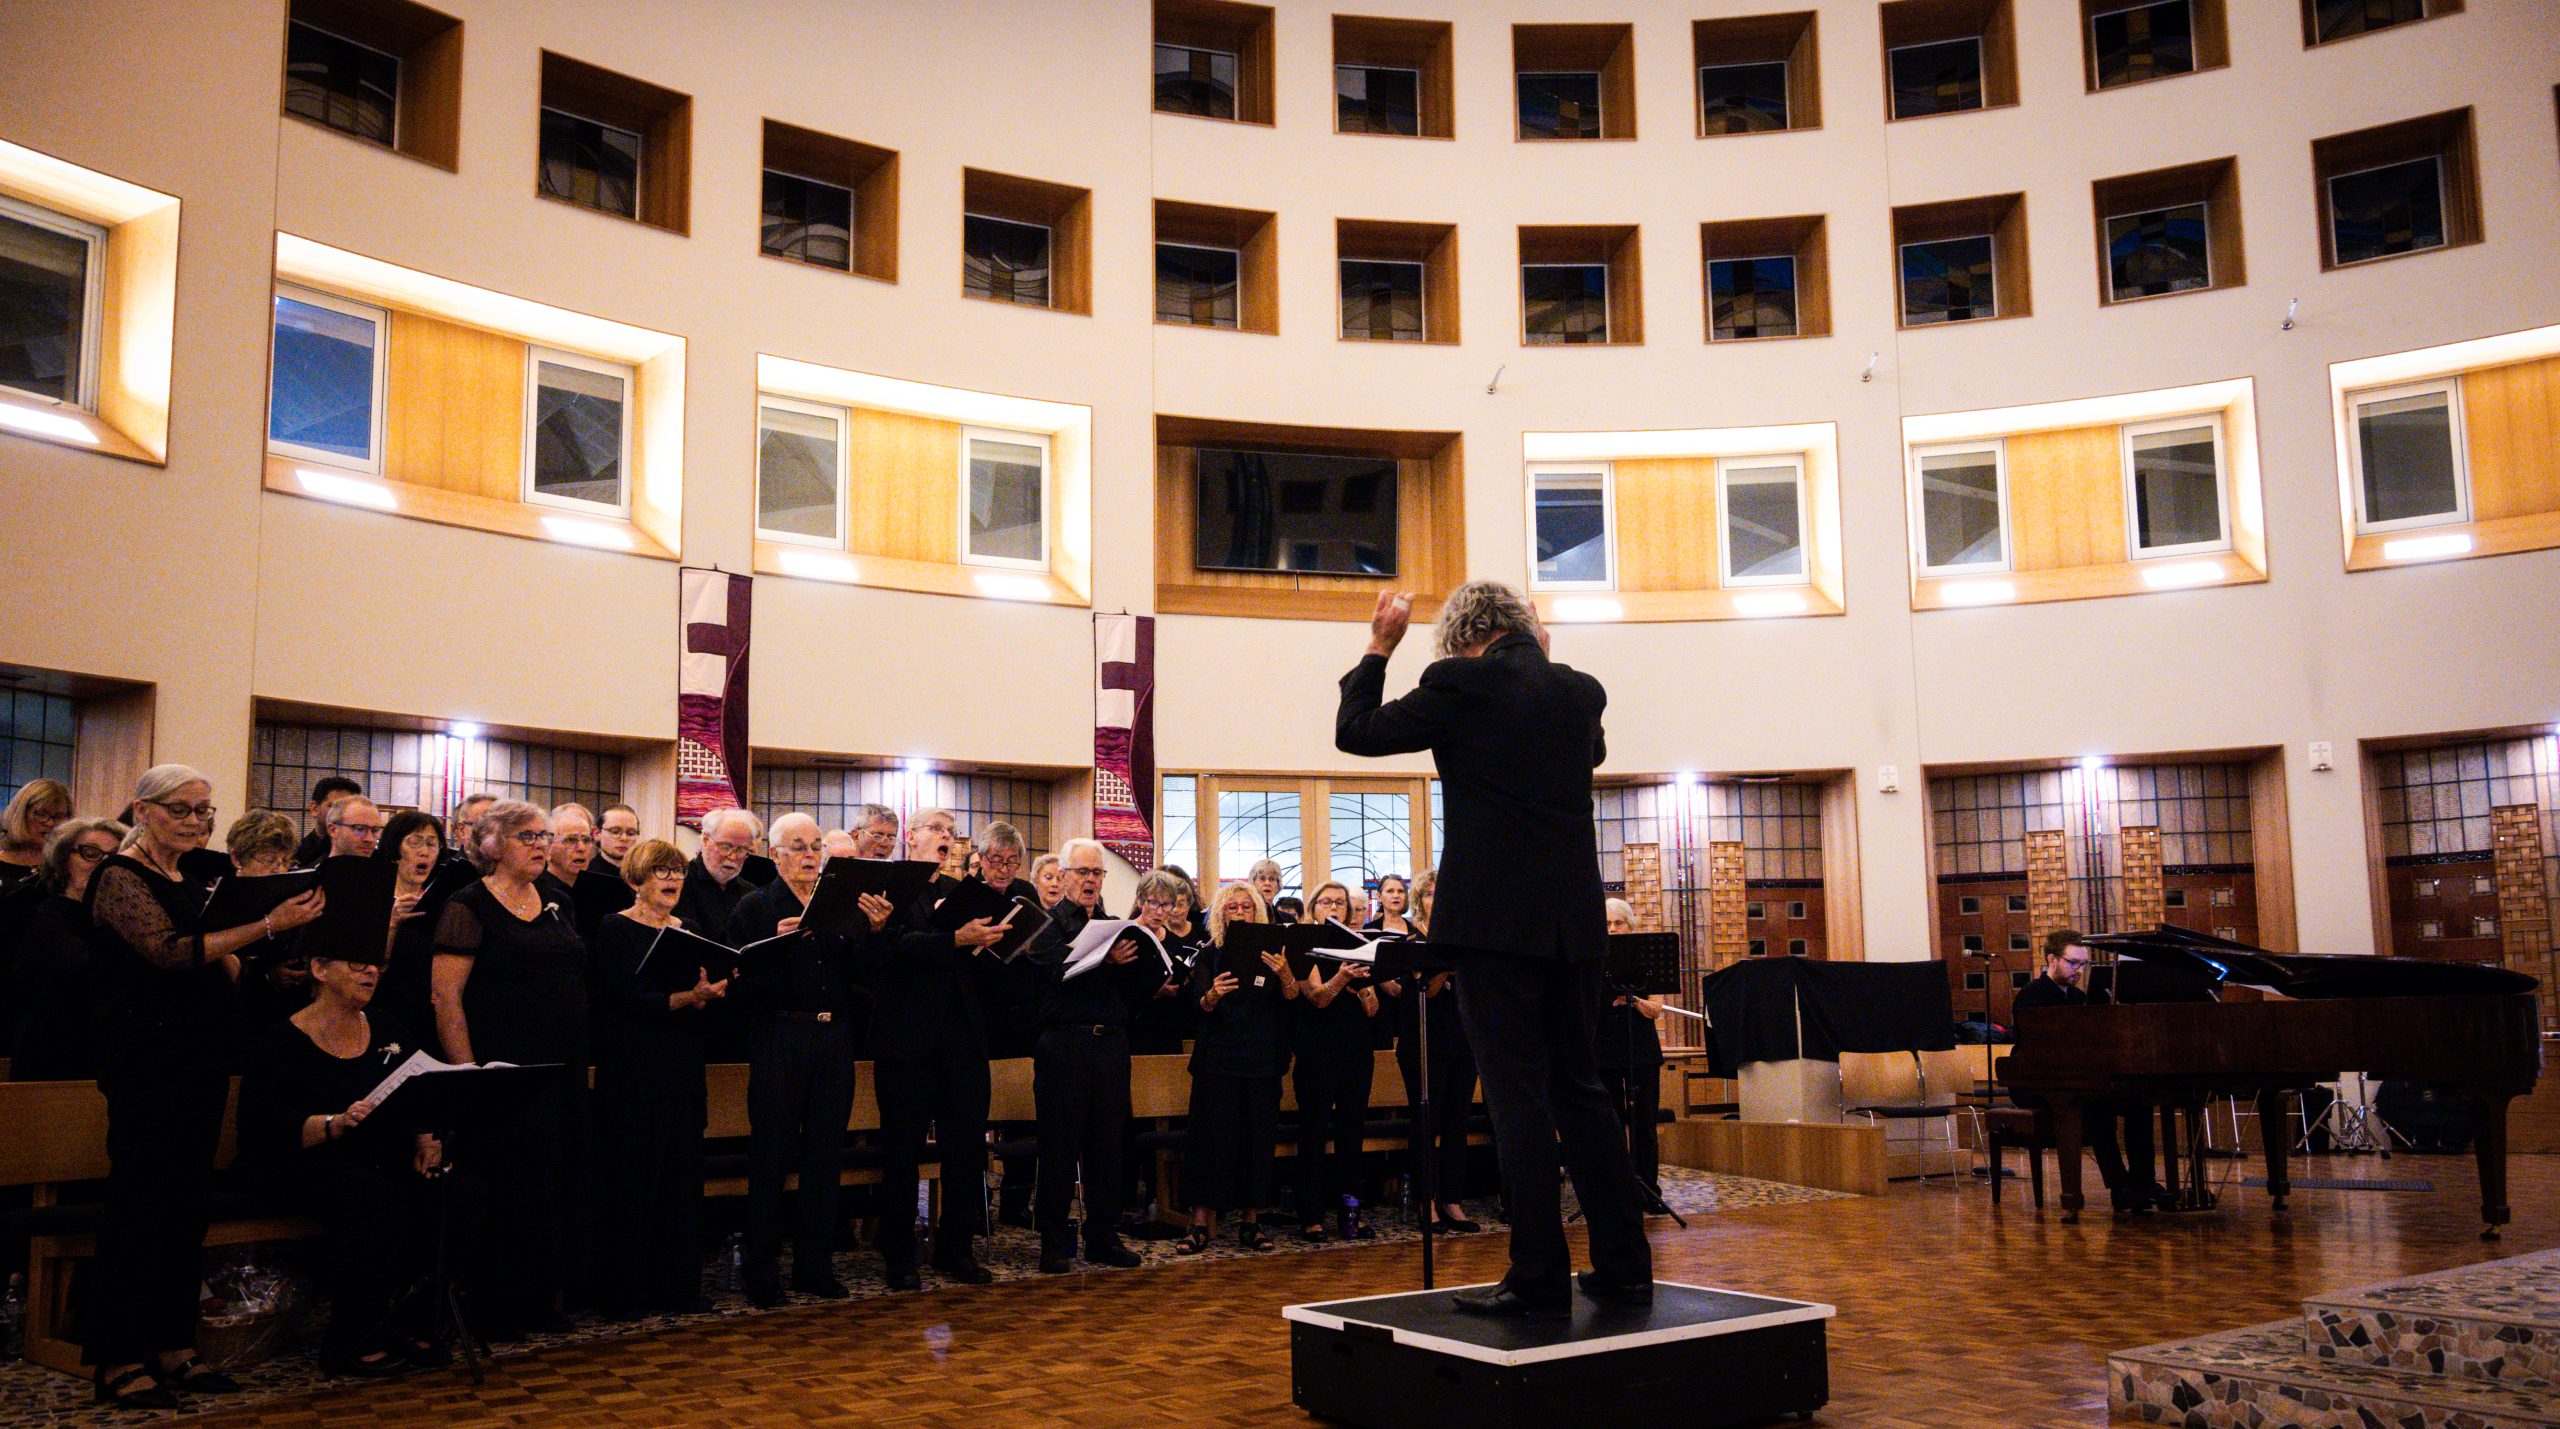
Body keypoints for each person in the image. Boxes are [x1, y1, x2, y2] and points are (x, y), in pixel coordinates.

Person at [1337, 581, 1652, 1318]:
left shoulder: (1458, 682)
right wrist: (1545, 661)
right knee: (1582, 1091)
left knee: (1517, 1097)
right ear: (1525, 629)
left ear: (1460, 637)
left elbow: (1357, 731)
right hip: (1574, 926)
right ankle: (1625, 1266)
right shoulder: (1579, 691)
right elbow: (1591, 750)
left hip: (1493, 929)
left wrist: (1379, 647)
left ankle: (1538, 1275)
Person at [82, 765, 324, 1408]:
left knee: (186, 1207)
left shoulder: (190, 877)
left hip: (200, 1057)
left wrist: (244, 955)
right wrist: (265, 925)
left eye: (204, 811)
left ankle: (172, 1345)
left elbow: (216, 954)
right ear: (142, 810)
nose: (196, 822)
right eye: (181, 809)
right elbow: (169, 952)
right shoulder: (119, 876)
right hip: (146, 1062)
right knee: (140, 1206)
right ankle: (118, 1356)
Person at [237, 940, 468, 1378]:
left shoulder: (387, 1026)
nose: (371, 973)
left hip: (378, 1159)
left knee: (455, 1190)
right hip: (308, 1164)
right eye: (358, 963)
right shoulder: (282, 1041)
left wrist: (427, 1143)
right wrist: (333, 1123)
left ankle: (414, 1322)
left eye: (376, 965)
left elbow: (418, 1095)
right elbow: (262, 1131)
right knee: (372, 1200)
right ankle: (352, 1338)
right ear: (320, 969)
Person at [428, 801, 588, 1340]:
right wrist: (467, 1074)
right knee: (505, 1185)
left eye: (544, 836)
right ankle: (496, 1307)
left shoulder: (559, 901)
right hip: (500, 1070)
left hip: (559, 1066)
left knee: (551, 1181)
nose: (541, 845)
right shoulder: (467, 904)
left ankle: (542, 1299)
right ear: (492, 845)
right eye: (527, 837)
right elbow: (446, 997)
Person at [726, 812, 878, 1305]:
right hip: (779, 1035)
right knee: (771, 1155)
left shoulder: (838, 905)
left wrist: (873, 932)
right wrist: (778, 945)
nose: (810, 856)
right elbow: (738, 986)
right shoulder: (755, 906)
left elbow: (864, 977)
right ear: (775, 855)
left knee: (825, 1155)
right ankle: (761, 1272)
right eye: (798, 847)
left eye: (816, 847)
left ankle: (814, 1266)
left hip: (834, 1037)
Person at [859, 810, 1011, 1290]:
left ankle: (955, 1248)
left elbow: (973, 963)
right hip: (906, 1039)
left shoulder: (961, 890)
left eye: (950, 832)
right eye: (936, 830)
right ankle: (899, 1254)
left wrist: (993, 944)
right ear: (911, 837)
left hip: (962, 1036)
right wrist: (954, 939)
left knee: (966, 1149)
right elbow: (887, 953)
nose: (946, 837)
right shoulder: (886, 886)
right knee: (902, 1151)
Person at [587, 838, 723, 1317]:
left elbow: (698, 998)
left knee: (680, 1180)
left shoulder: (690, 930)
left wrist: (709, 992)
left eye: (678, 872)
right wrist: (688, 997)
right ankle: (625, 1292)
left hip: (682, 1066)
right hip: (635, 1069)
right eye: (661, 872)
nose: (672, 880)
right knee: (634, 1181)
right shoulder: (615, 928)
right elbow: (624, 1000)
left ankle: (678, 1288)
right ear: (635, 879)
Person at [1022, 837, 1149, 1274]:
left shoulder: (1113, 927)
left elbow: (1129, 989)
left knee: (1107, 1145)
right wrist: (1103, 960)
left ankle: (1103, 1236)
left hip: (1110, 1045)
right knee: (1059, 1146)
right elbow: (1050, 970)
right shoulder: (1046, 925)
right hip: (1065, 1046)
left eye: (1097, 873)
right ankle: (1054, 1241)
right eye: (1083, 872)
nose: (1091, 880)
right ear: (1062, 876)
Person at [1175, 877, 1295, 1254]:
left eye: (1246, 906)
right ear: (1221, 914)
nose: (1240, 912)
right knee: (1209, 1141)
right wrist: (1212, 995)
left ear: (1257, 911)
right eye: (1232, 907)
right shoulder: (1209, 953)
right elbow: (1196, 1007)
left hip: (1262, 1060)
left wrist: (1285, 974)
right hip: (1218, 1061)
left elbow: (1292, 1000)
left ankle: (1251, 1222)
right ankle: (1199, 1224)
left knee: (1257, 1142)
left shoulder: (1275, 953)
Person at [2013, 929, 2163, 1214]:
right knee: (2095, 1107)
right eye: (2073, 963)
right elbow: (2039, 1053)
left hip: (2076, 1080)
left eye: (2083, 964)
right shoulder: (2031, 996)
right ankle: (2120, 1187)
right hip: (2036, 1084)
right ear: (2052, 960)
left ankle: (2142, 1183)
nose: (2079, 970)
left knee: (2138, 1103)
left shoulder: (2080, 997)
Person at [1382, 868, 1478, 1234]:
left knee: (1457, 1123)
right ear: (1419, 900)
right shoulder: (1412, 940)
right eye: (1429, 894)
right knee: (1427, 1121)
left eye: (1442, 893)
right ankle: (1426, 1201)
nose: (1437, 900)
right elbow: (1426, 991)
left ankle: (1452, 1200)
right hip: (1423, 1042)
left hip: (1461, 1040)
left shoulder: (1463, 937)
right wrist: (1446, 966)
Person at [1290, 881, 1382, 1243]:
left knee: (1352, 1134)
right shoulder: (1305, 946)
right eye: (1326, 901)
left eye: (1340, 903)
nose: (1333, 907)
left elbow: (1372, 1010)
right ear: (1314, 907)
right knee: (1313, 1133)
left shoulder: (1360, 948)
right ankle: (1311, 1216)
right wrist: (1343, 977)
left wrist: (1365, 987)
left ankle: (1350, 1215)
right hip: (1317, 1051)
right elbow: (1317, 998)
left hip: (1356, 1051)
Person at [7, 817, 124, 1080]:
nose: (103, 864)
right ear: (63, 861)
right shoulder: (47, 916)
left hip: (106, 1052)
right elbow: (88, 971)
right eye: (90, 853)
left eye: (115, 857)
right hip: (54, 1054)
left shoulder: (118, 921)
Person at [1596, 898, 1666, 1199]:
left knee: (1644, 1122)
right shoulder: (1593, 960)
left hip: (1641, 1049)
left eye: (1618, 923)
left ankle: (1648, 1189)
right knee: (1610, 1123)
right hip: (1603, 1050)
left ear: (1630, 926)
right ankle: (1617, 1191)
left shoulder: (1645, 961)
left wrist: (1632, 1000)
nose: (1613, 929)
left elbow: (1656, 1008)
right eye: (1607, 924)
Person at [230, 809, 317, 1030]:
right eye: (270, 859)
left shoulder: (287, 895)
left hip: (288, 1011)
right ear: (237, 858)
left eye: (285, 860)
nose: (279, 868)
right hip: (239, 1013)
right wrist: (268, 974)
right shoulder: (224, 902)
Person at [370, 811, 450, 1036]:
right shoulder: (373, 898)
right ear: (395, 848)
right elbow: (369, 968)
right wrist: (392, 923)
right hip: (384, 1005)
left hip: (429, 1007)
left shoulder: (442, 898)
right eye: (414, 842)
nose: (424, 852)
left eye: (432, 844)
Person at [0, 778, 73, 887]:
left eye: (58, 817)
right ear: (21, 815)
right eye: (41, 814)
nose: (50, 823)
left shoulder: (69, 866)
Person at [294, 775, 363, 868]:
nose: (344, 814)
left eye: (350, 808)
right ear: (314, 809)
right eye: (335, 806)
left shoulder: (362, 853)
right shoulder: (292, 856)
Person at [540, 803, 597, 911]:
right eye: (571, 840)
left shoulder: (597, 892)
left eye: (586, 840)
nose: (581, 848)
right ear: (548, 848)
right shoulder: (537, 892)